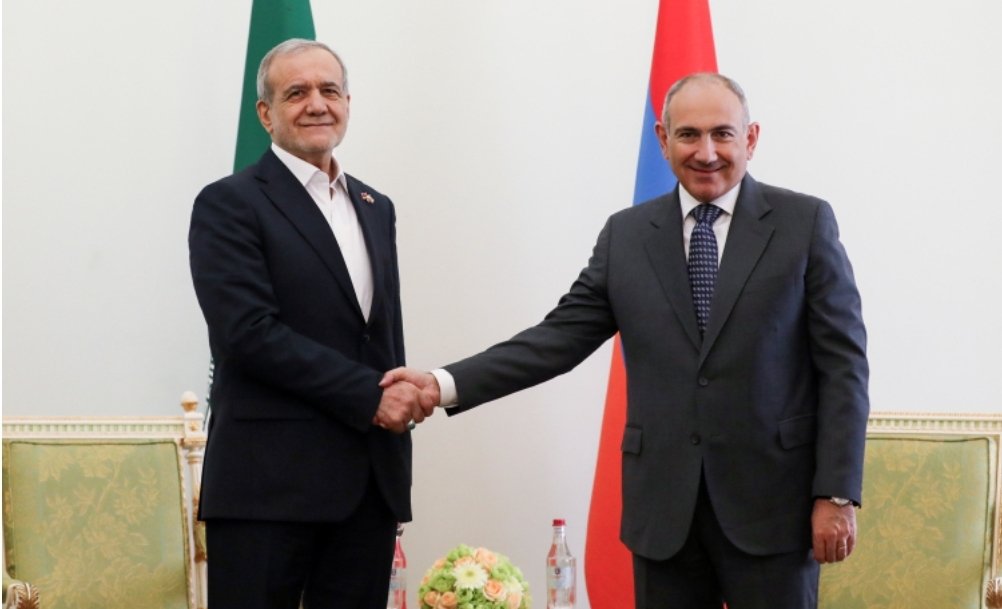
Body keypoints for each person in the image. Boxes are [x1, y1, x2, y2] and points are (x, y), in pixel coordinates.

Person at [383, 73, 869, 609]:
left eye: (722, 134)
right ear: (663, 139)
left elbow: (843, 368)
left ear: (750, 138)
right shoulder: (627, 236)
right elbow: (556, 339)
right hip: (664, 516)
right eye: (688, 135)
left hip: (774, 509)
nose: (706, 152)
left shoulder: (804, 224)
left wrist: (836, 492)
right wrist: (441, 384)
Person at [188, 38, 433, 609]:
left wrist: (398, 405)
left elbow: (378, 335)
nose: (317, 104)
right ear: (265, 114)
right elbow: (247, 334)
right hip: (267, 488)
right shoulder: (229, 203)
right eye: (296, 92)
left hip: (368, 485)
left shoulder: (376, 205)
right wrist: (371, 397)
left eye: (329, 90)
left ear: (347, 102)